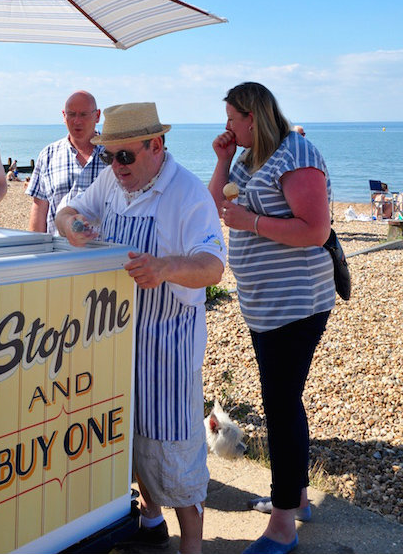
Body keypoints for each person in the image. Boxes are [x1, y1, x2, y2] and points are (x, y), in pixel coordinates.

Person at [56, 102, 225, 554]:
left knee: (174, 455)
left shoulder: (188, 194)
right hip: (114, 342)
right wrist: (75, 227)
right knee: (124, 440)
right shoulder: (113, 181)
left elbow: (212, 267)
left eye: (125, 156)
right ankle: (150, 521)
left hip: (167, 346)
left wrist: (166, 266)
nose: (116, 166)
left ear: (156, 146)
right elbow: (67, 211)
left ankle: (193, 545)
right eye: (108, 155)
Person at [209, 82, 334, 555]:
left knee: (280, 406)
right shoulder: (249, 156)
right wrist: (223, 158)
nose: (226, 127)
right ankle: (296, 498)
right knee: (285, 401)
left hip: (297, 302)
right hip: (266, 304)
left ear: (253, 117)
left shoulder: (295, 154)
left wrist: (251, 223)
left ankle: (283, 526)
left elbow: (316, 229)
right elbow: (217, 203)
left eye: (230, 120)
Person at [25, 90, 105, 234]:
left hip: (106, 251)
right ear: (64, 116)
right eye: (72, 114)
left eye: (83, 114)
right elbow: (39, 210)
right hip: (59, 251)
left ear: (97, 116)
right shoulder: (48, 155)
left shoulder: (113, 154)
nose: (77, 121)